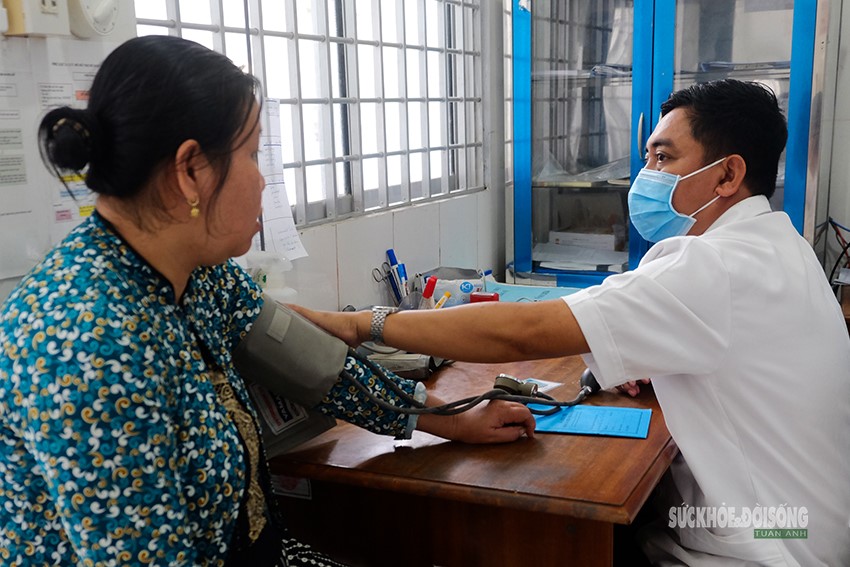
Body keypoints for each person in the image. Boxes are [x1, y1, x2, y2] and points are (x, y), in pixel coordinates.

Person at [0, 35, 536, 567]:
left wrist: (446, 418)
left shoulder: (197, 272)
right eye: (253, 154)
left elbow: (316, 366)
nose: (264, 181)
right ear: (190, 171)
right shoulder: (84, 345)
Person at [295, 79, 850, 566]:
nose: (646, 176)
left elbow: (524, 331)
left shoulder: (712, 265)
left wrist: (363, 324)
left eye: (663, 158)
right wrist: (661, 361)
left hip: (770, 546)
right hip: (802, 524)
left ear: (727, 174)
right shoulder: (780, 243)